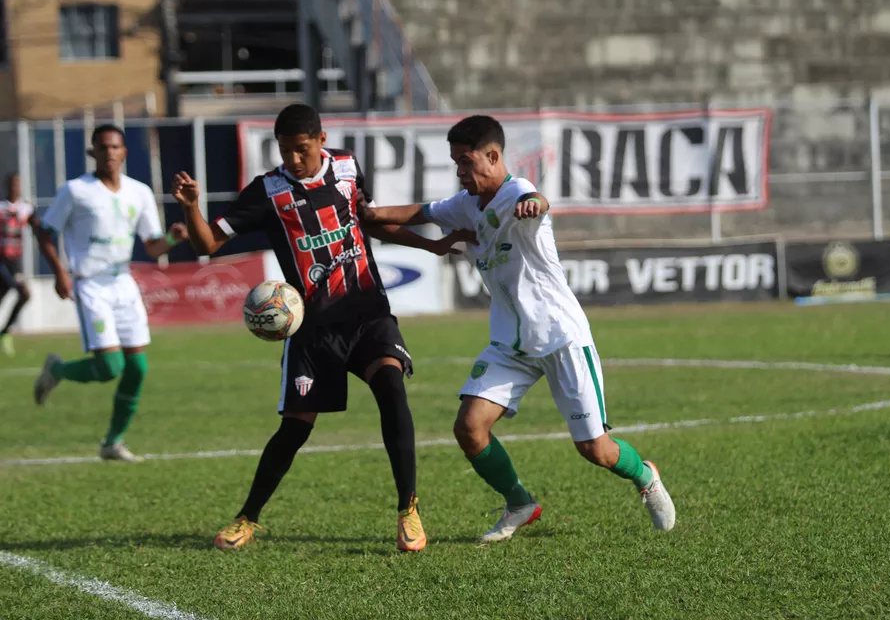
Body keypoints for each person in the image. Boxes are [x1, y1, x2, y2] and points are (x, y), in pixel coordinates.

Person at [360, 115, 676, 542]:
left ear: (493, 156)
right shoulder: (466, 202)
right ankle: (519, 502)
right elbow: (418, 212)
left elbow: (538, 200)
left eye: (465, 163)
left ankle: (645, 474)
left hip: (561, 337)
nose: (460, 173)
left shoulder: (517, 195)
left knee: (596, 450)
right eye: (455, 163)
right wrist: (368, 212)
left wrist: (537, 204)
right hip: (510, 342)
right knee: (469, 428)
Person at [171, 103, 470, 553]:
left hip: (367, 312)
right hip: (313, 329)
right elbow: (208, 243)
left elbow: (368, 222)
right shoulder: (267, 192)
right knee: (295, 429)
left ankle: (408, 510)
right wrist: (194, 208)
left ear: (322, 140)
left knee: (391, 387)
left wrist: (430, 245)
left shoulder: (348, 168)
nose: (292, 158)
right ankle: (247, 517)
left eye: (301, 149)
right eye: (284, 150)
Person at [32, 125, 189, 462]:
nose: (109, 153)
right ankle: (56, 371)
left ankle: (113, 442)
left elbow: (151, 244)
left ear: (124, 152)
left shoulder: (139, 192)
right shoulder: (75, 191)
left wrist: (174, 239)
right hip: (90, 284)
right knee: (109, 366)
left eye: (115, 147)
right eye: (102, 148)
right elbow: (45, 231)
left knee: (137, 368)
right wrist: (60, 272)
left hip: (123, 282)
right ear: (93, 153)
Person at [0, 173, 40, 356]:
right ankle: (5, 333)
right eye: (12, 183)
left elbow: (40, 228)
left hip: (15, 262)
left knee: (12, 295)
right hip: (2, 260)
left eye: (18, 184)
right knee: (24, 293)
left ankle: (5, 332)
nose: (15, 187)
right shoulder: (1, 207)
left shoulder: (27, 208)